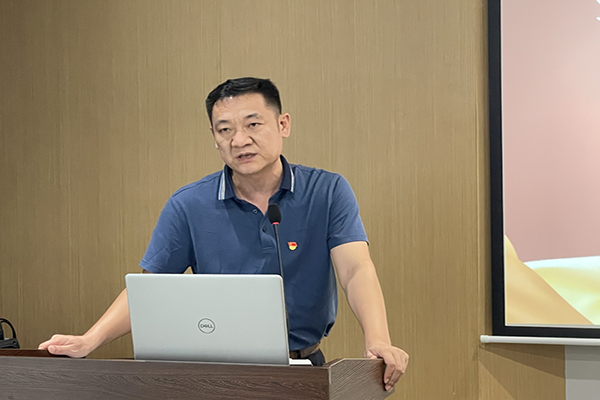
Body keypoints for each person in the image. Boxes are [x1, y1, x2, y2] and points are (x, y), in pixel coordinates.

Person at [39, 77, 409, 391]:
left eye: (253, 124)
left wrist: (377, 339)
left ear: (283, 124)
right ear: (214, 138)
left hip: (303, 370)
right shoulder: (189, 204)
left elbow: (355, 268)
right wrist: (90, 339)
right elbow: (149, 289)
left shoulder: (327, 191)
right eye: (225, 129)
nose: (239, 140)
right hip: (215, 376)